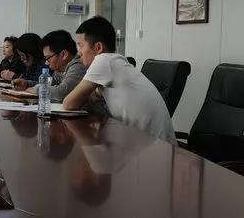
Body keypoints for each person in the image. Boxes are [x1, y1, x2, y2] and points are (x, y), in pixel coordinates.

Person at [62, 16, 176, 144]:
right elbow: (90, 98)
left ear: (98, 47)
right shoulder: (114, 63)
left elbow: (68, 104)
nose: (78, 52)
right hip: (146, 143)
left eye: (80, 45)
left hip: (157, 148)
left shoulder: (104, 61)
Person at [18, 30, 86, 100]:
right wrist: (27, 84)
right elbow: (48, 84)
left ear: (64, 54)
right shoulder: (60, 69)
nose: (46, 63)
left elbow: (61, 92)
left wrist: (37, 90)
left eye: (48, 58)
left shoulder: (78, 66)